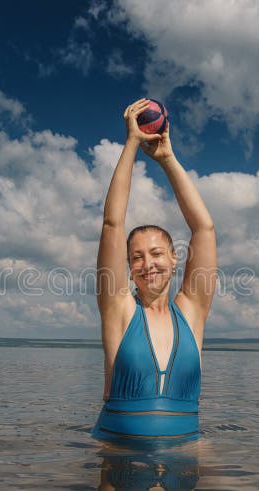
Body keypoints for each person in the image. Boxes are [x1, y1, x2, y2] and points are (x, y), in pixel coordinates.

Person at [92, 98, 217, 444]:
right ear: (128, 269)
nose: (148, 264)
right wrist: (131, 144)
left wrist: (167, 160)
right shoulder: (119, 310)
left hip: (184, 460)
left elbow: (204, 229)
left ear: (175, 259)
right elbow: (112, 224)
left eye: (157, 253)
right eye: (136, 258)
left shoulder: (192, 313)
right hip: (117, 459)